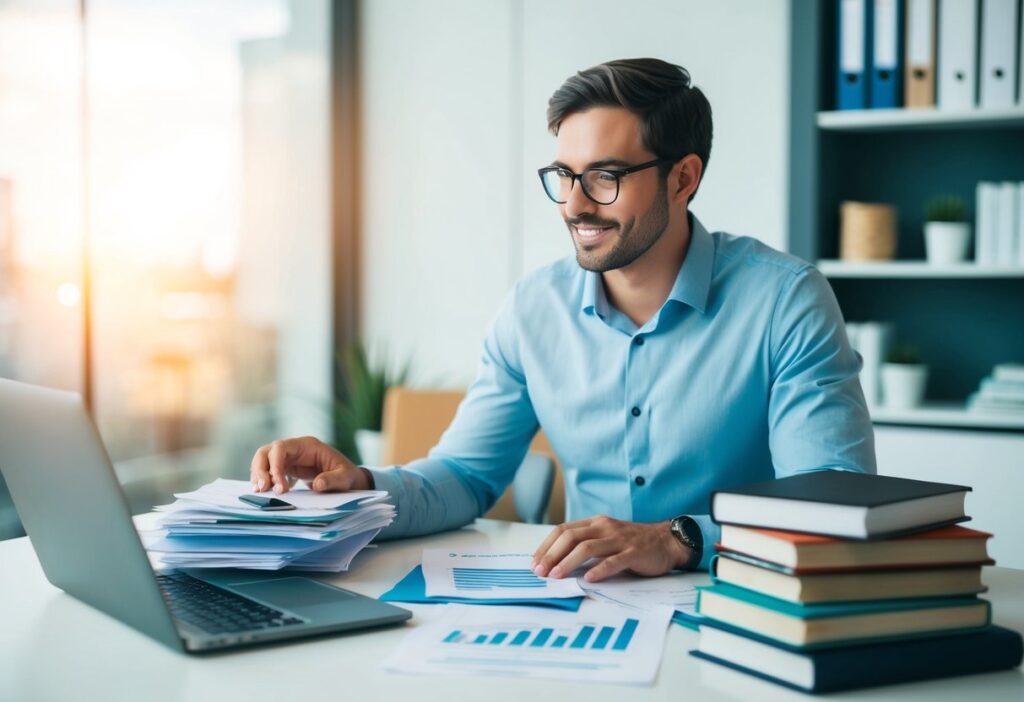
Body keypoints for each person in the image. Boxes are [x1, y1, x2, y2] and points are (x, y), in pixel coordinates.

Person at [250, 58, 875, 583]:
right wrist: (357, 482)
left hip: (744, 604)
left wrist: (682, 538)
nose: (576, 204)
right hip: (584, 607)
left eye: (605, 177)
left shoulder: (785, 300)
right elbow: (466, 476)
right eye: (565, 176)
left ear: (683, 178)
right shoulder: (533, 309)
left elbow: (831, 493)